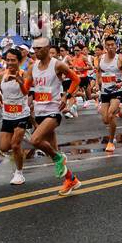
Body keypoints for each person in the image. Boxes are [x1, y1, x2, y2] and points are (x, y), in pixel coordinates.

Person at [25, 37, 82, 195]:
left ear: (47, 48)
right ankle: (71, 179)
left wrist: (66, 96)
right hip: (39, 112)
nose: (35, 51)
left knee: (34, 140)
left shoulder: (57, 64)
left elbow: (76, 79)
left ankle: (59, 157)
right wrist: (26, 100)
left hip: (53, 111)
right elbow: (27, 89)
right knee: (54, 153)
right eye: (34, 49)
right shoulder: (32, 67)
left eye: (39, 49)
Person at [0, 48, 32, 185]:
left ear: (19, 61)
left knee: (15, 145)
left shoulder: (24, 74)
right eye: (8, 60)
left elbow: (26, 93)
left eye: (13, 60)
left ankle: (19, 173)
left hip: (21, 115)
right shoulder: (1, 75)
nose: (10, 63)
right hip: (7, 116)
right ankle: (29, 142)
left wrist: (19, 81)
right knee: (4, 147)